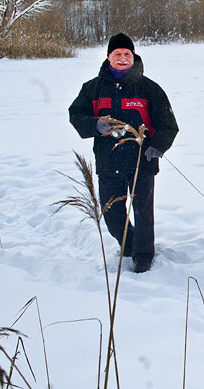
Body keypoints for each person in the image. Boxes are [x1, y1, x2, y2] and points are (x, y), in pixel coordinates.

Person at [68, 33, 179, 273]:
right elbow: (76, 115)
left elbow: (169, 124)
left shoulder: (149, 89)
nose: (122, 58)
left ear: (133, 56)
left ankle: (143, 256)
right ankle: (128, 244)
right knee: (112, 213)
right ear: (108, 57)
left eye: (126, 54)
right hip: (108, 162)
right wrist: (94, 124)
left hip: (142, 162)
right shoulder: (93, 89)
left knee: (143, 212)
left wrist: (157, 147)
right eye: (117, 54)